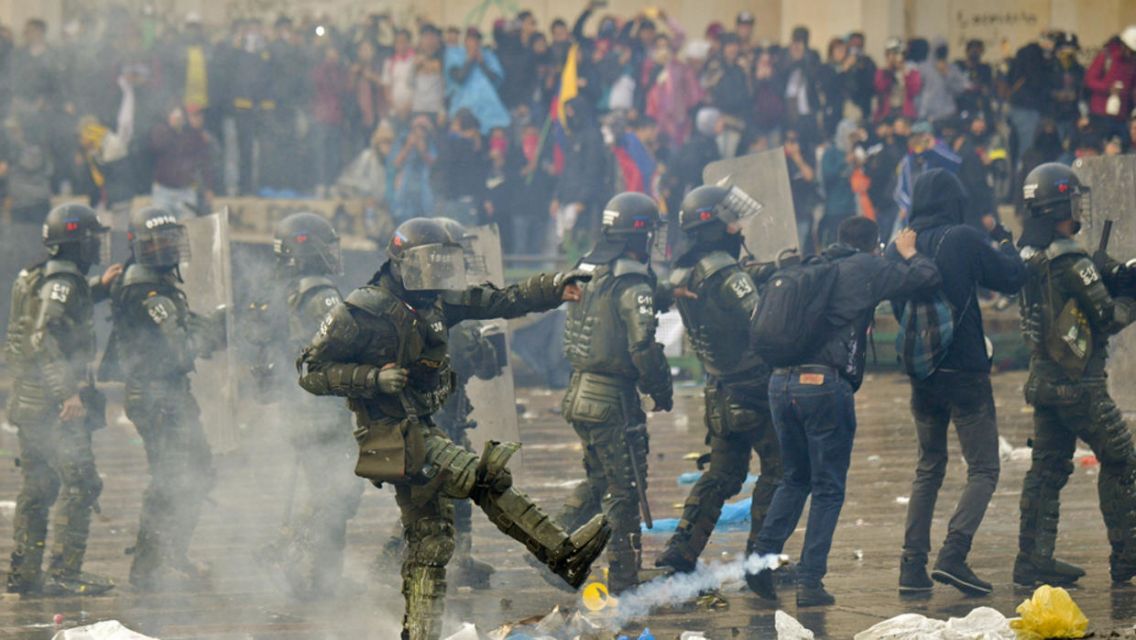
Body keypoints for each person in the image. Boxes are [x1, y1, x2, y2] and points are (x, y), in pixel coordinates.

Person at [296, 218, 608, 640]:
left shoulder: (438, 302)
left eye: (443, 266)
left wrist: (556, 286)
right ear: (401, 263)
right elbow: (310, 369)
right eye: (427, 266)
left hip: (421, 428)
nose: (436, 277)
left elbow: (503, 299)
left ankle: (421, 634)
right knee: (483, 477)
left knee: (432, 543)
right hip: (388, 434)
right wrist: (370, 379)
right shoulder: (361, 311)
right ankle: (562, 554)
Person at [748, 217, 941, 607]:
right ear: (873, 245)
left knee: (794, 479)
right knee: (828, 488)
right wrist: (908, 251)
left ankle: (759, 563)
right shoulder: (868, 267)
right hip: (823, 386)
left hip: (780, 384)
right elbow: (926, 277)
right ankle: (810, 582)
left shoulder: (811, 266)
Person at [888, 169, 1026, 597]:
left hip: (923, 375)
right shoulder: (962, 238)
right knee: (984, 467)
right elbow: (1011, 278)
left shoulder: (900, 246)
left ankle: (912, 566)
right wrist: (1006, 245)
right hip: (965, 370)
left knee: (929, 467)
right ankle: (954, 553)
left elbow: (898, 307)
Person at [1015, 163, 1136, 588]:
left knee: (1047, 469)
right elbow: (1104, 316)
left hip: (1044, 382)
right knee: (1123, 459)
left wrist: (1099, 273)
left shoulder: (1027, 255)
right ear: (1055, 207)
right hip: (1081, 384)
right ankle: (1128, 558)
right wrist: (1128, 295)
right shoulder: (1071, 258)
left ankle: (1032, 559)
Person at [656, 185, 782, 576]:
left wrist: (772, 268)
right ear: (714, 226)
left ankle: (681, 550)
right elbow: (762, 318)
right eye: (731, 220)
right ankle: (761, 559)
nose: (738, 226)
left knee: (722, 476)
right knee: (779, 471)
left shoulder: (683, 270)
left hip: (720, 389)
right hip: (755, 388)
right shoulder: (725, 270)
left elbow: (731, 283)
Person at [99, 206, 226, 590]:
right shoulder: (146, 288)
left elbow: (184, 326)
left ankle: (171, 555)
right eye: (154, 242)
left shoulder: (157, 280)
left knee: (198, 469)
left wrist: (220, 321)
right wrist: (216, 330)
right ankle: (150, 568)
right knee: (169, 478)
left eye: (170, 239)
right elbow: (182, 346)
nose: (164, 249)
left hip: (168, 393)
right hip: (155, 395)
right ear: (137, 245)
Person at [555, 192, 673, 594]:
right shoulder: (631, 279)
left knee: (599, 479)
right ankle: (624, 579)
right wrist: (661, 389)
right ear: (638, 235)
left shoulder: (587, 268)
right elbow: (642, 346)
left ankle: (547, 546)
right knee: (624, 490)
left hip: (578, 392)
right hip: (612, 401)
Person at [5, 204, 120, 596]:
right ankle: (65, 572)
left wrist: (100, 288)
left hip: (28, 399)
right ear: (78, 243)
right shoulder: (64, 282)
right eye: (92, 239)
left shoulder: (39, 274)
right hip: (54, 406)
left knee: (37, 485)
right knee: (82, 482)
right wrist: (67, 392)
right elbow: (46, 334)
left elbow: (54, 309)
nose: (96, 246)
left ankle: (25, 571)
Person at [258, 213, 364, 600]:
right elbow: (348, 341)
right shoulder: (321, 294)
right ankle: (292, 560)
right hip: (322, 412)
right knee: (336, 493)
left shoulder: (284, 291)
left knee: (328, 493)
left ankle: (323, 579)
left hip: (301, 407)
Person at [1084, 26, 1136, 145]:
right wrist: (1108, 88)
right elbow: (1089, 80)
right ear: (1123, 46)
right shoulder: (1107, 57)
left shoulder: (1132, 63)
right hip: (1100, 114)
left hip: (1121, 115)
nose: (1131, 54)